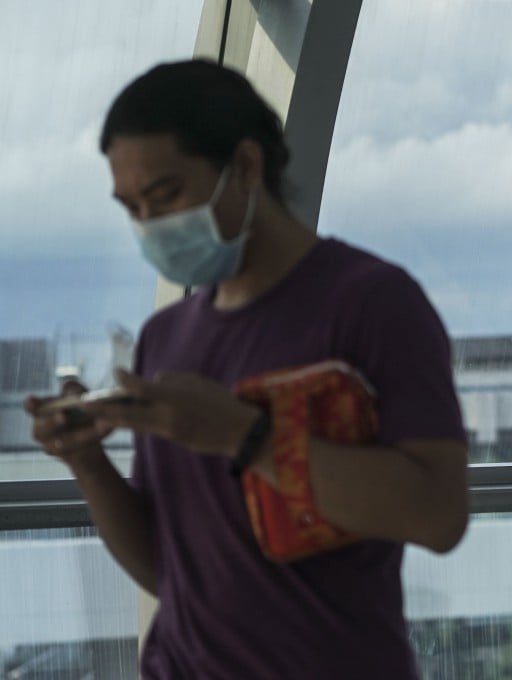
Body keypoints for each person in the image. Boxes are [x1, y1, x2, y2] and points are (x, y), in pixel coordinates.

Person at [23, 59, 469, 678]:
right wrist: (86, 461)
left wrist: (243, 435)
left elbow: (438, 514)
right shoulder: (166, 338)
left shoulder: (373, 303)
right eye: (131, 208)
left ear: (248, 168)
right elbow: (168, 570)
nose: (150, 226)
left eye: (166, 195)